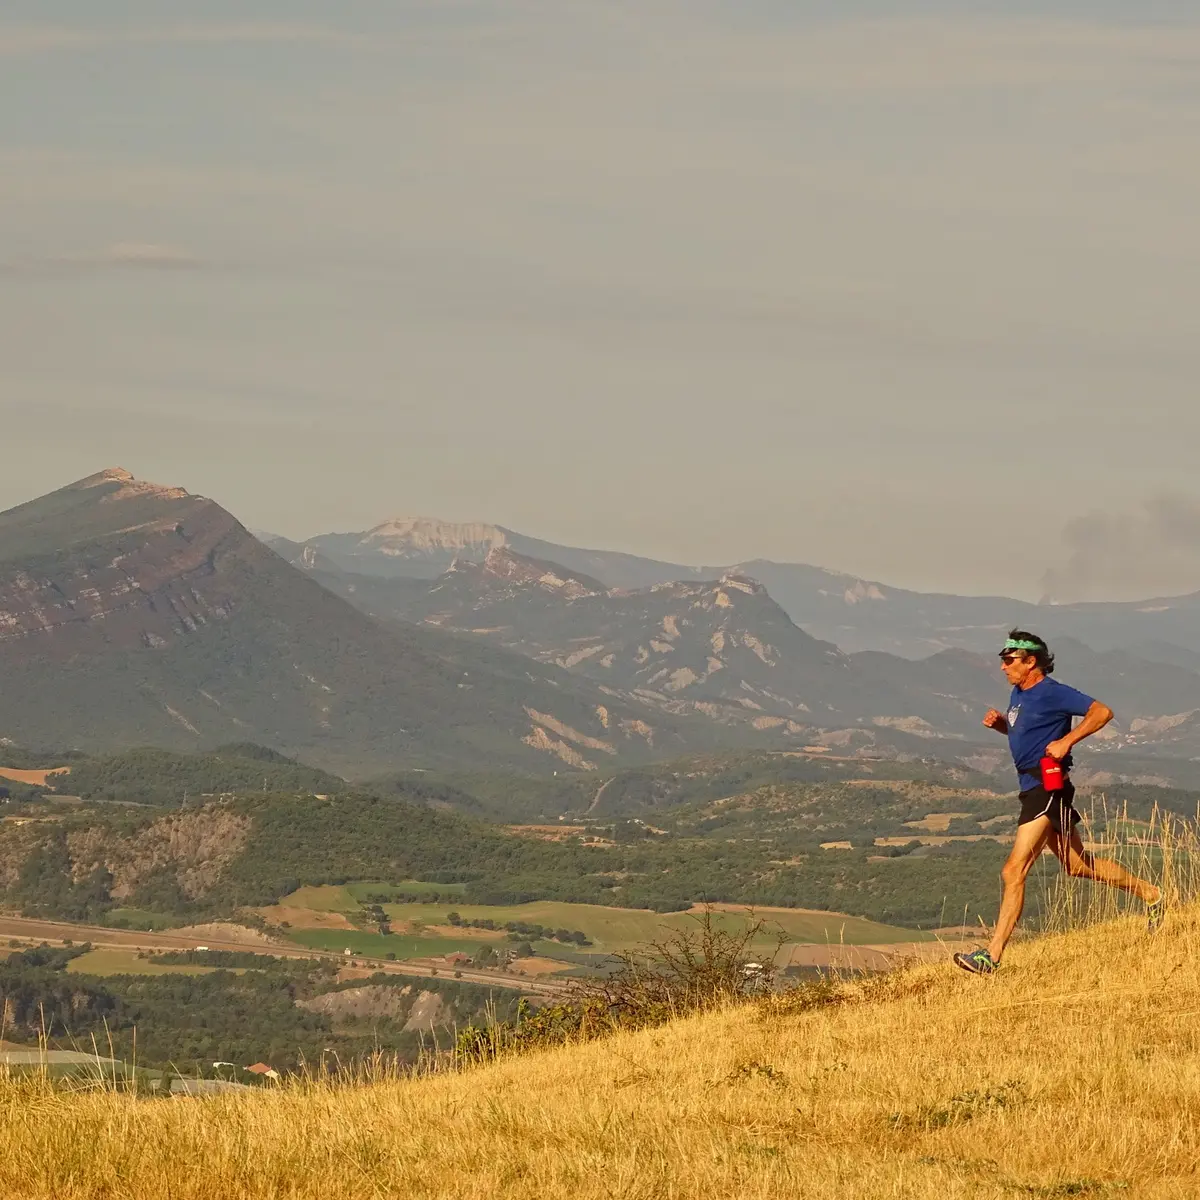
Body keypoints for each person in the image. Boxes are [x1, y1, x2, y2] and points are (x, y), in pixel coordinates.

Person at [953, 630, 1163, 975]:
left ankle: (990, 957)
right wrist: (1002, 727)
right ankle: (1152, 895)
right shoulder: (1019, 693)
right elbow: (1028, 733)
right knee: (1077, 866)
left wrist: (1068, 740)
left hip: (1046, 789)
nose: (1003, 668)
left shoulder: (1053, 692)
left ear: (1031, 662)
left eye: (1009, 661)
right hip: (1035, 787)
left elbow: (1102, 711)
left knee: (1013, 870)